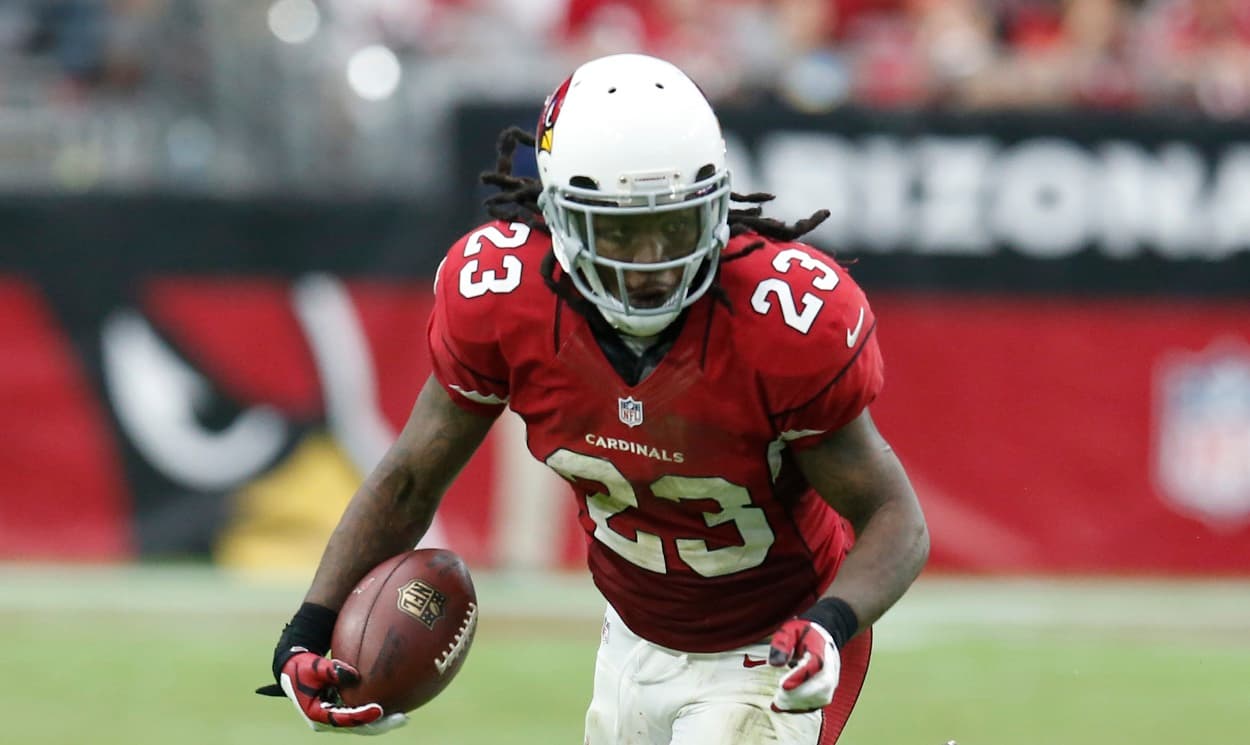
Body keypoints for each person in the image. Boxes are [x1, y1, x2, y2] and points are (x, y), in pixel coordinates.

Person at [256, 52, 929, 744]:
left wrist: (830, 622)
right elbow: (408, 480)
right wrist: (307, 629)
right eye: (620, 232)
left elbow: (894, 516)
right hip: (632, 639)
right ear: (558, 215)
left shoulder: (780, 321)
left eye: (673, 224)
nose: (651, 262)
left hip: (774, 645)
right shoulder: (504, 300)